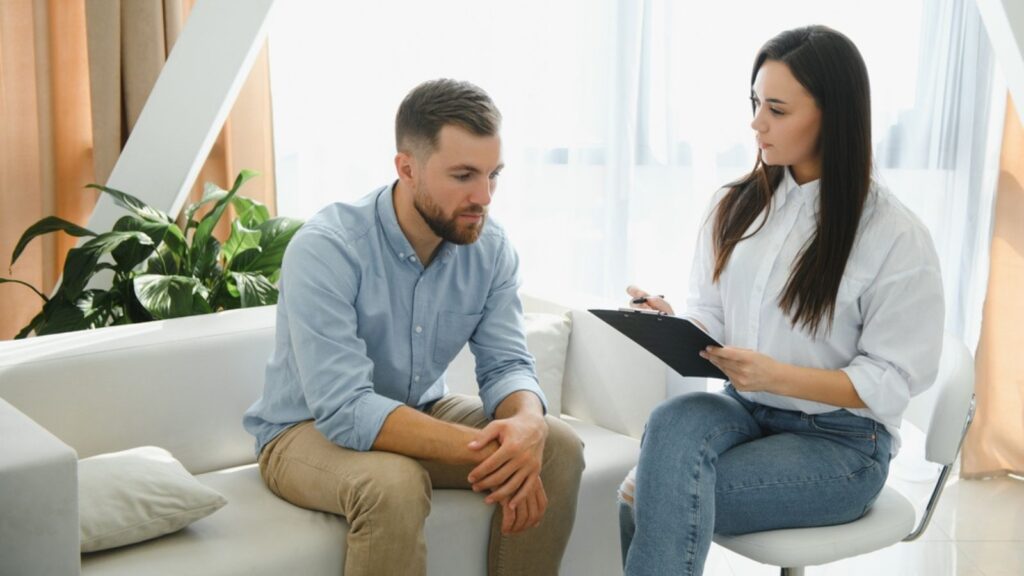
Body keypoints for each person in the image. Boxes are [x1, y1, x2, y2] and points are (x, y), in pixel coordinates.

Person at [617, 26, 944, 575]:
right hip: (745, 412)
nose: (756, 123)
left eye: (777, 108)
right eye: (754, 103)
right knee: (672, 422)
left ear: (832, 115)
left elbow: (891, 380)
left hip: (843, 445)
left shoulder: (894, 235)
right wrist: (674, 324)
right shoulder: (735, 207)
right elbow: (714, 319)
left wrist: (776, 377)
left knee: (654, 490)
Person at [243, 79, 584, 576]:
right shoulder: (327, 248)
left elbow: (508, 364)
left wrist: (527, 426)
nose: (483, 196)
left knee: (558, 447)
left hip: (415, 409)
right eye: (464, 175)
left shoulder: (490, 248)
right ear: (407, 168)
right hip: (305, 432)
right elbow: (344, 408)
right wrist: (504, 448)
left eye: (494, 175)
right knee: (393, 483)